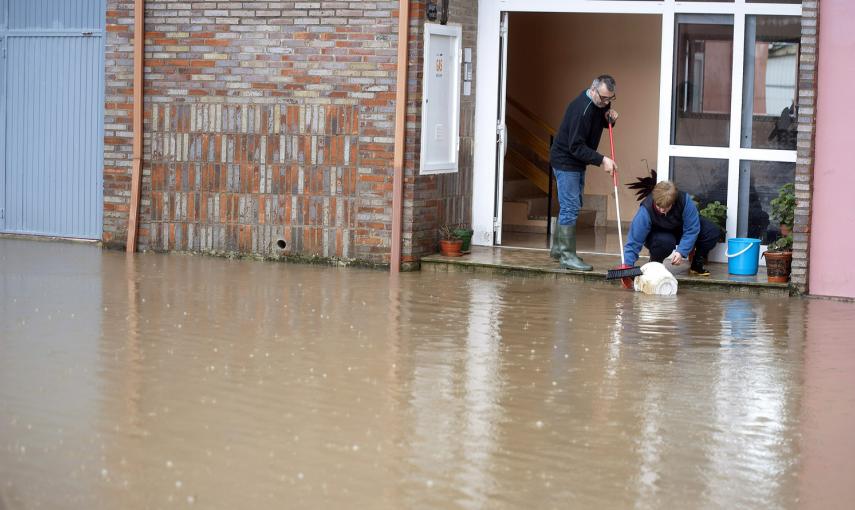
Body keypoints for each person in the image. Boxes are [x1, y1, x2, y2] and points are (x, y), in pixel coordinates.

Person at [549, 75, 619, 271]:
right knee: (571, 206)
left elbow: (600, 120)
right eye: (603, 98)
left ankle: (557, 250)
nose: (606, 102)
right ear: (593, 90)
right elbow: (576, 147)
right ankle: (567, 256)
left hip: (577, 162)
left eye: (610, 99)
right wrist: (602, 159)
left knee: (572, 204)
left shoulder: (598, 104)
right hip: (566, 160)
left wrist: (610, 119)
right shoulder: (581, 109)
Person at [622, 181, 721, 276]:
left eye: (665, 208)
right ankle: (655, 264)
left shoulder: (684, 200)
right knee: (664, 242)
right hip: (660, 235)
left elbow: (692, 229)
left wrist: (681, 251)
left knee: (712, 231)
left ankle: (696, 264)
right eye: (658, 206)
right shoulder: (645, 210)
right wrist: (628, 265)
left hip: (680, 230)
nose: (661, 210)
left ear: (673, 202)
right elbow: (634, 240)